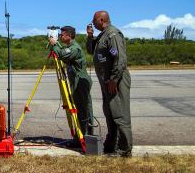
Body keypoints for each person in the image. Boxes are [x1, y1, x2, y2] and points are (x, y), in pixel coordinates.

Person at [86, 10, 133, 157]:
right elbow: (91, 50)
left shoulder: (113, 34)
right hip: (107, 82)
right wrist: (90, 36)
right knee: (110, 113)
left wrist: (113, 79)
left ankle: (124, 150)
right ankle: (112, 145)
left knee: (120, 114)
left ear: (101, 20)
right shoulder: (103, 35)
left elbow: (120, 59)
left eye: (94, 20)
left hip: (115, 81)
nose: (92, 23)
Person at [48, 26, 94, 142]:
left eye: (62, 34)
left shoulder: (74, 48)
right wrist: (55, 45)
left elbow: (62, 55)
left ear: (69, 35)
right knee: (80, 110)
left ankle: (84, 138)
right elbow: (62, 53)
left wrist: (54, 44)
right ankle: (80, 136)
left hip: (80, 82)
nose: (60, 36)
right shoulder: (68, 47)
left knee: (83, 110)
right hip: (75, 82)